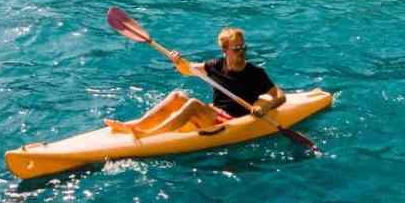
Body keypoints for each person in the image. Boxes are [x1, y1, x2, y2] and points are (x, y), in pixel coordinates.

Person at [105, 27, 286, 137]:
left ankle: (150, 135)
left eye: (243, 47)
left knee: (192, 104)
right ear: (225, 50)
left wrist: (266, 107)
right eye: (237, 48)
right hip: (215, 113)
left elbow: (280, 96)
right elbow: (187, 70)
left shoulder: (256, 73)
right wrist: (177, 61)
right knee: (177, 95)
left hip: (230, 122)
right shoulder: (215, 65)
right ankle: (134, 126)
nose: (242, 51)